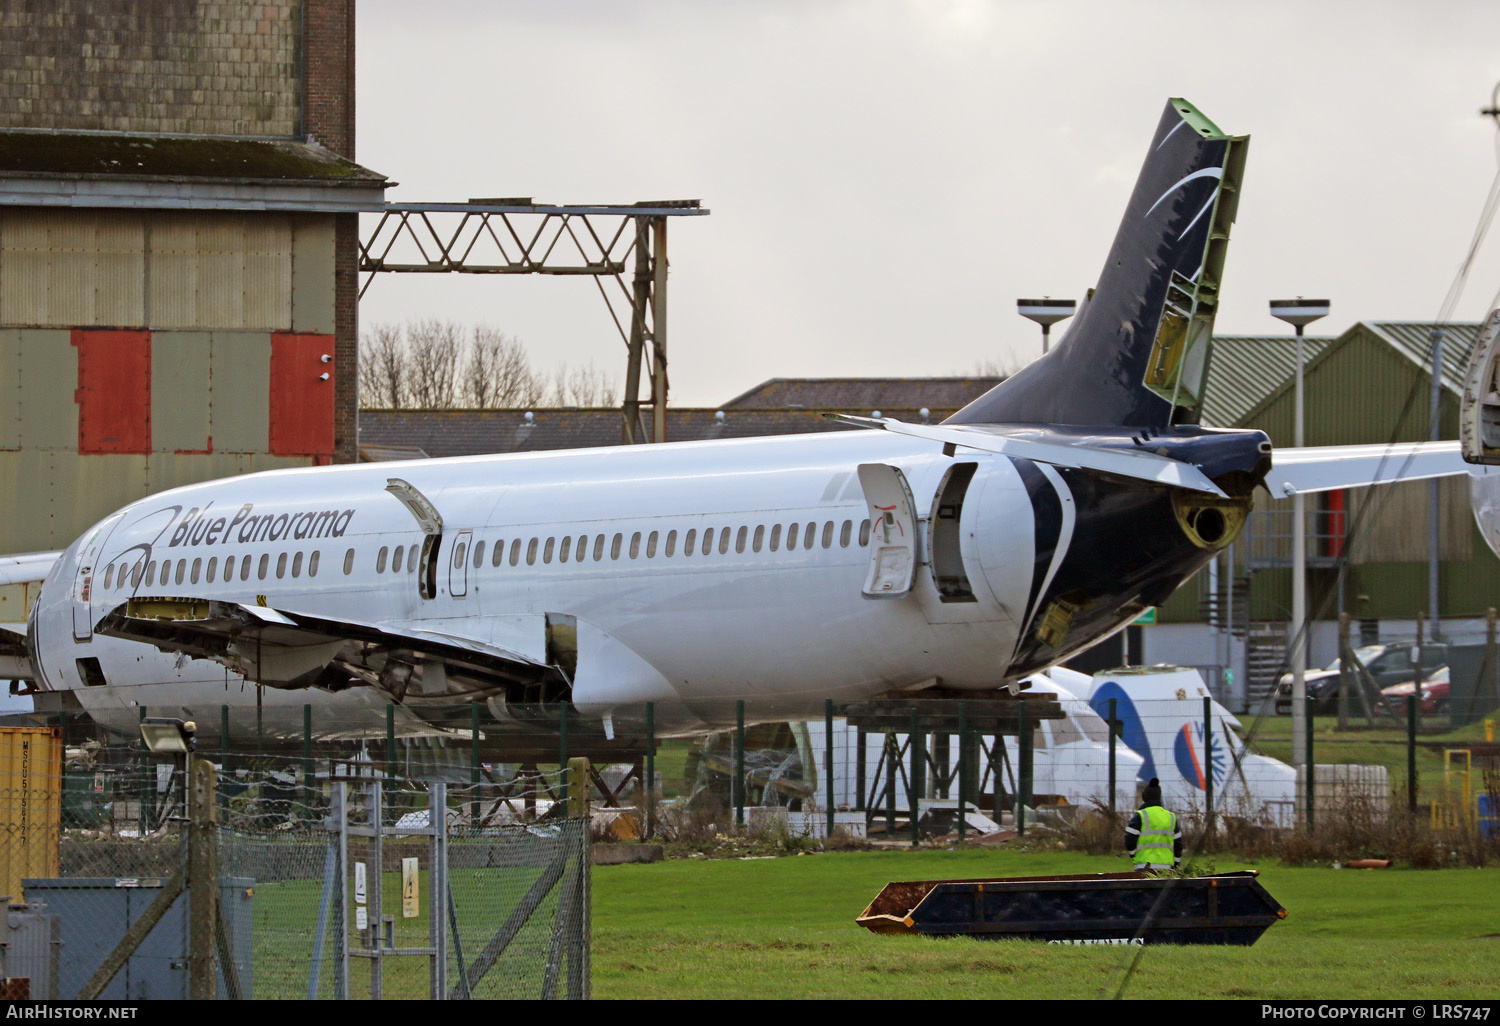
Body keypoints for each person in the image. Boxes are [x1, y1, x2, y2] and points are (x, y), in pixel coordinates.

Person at [1124, 777, 1181, 871]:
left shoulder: (1141, 815)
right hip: (1166, 868)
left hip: (1144, 867)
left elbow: (1129, 837)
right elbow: (1178, 844)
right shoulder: (1171, 817)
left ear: (1145, 797)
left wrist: (1133, 853)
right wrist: (1176, 863)